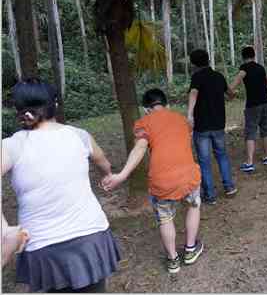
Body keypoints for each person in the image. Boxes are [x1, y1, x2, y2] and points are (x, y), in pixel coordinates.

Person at [2, 78, 121, 292]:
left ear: (20, 110)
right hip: (90, 239)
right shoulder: (79, 135)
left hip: (44, 248)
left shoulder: (12, 146)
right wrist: (108, 174)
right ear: (55, 104)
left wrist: (5, 229)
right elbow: (103, 161)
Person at [103, 89, 204, 274]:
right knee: (194, 205)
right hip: (188, 176)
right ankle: (190, 250)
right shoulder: (180, 118)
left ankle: (173, 260)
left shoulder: (144, 123)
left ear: (146, 109)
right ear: (167, 105)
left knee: (165, 219)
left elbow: (140, 147)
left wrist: (122, 174)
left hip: (162, 182)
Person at [187, 49, 237, 206]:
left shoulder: (197, 77)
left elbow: (193, 93)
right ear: (208, 60)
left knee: (204, 161)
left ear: (194, 63)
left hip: (202, 127)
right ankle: (229, 187)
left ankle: (210, 195)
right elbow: (230, 93)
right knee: (222, 155)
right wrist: (231, 94)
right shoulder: (218, 76)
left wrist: (189, 114)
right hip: (218, 125)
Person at [229, 46, 267, 173]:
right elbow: (265, 83)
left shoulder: (244, 68)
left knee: (251, 131)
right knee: (265, 129)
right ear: (254, 56)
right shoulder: (260, 67)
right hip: (266, 102)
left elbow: (238, 79)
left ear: (243, 57)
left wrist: (229, 90)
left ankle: (249, 163)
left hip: (253, 104)